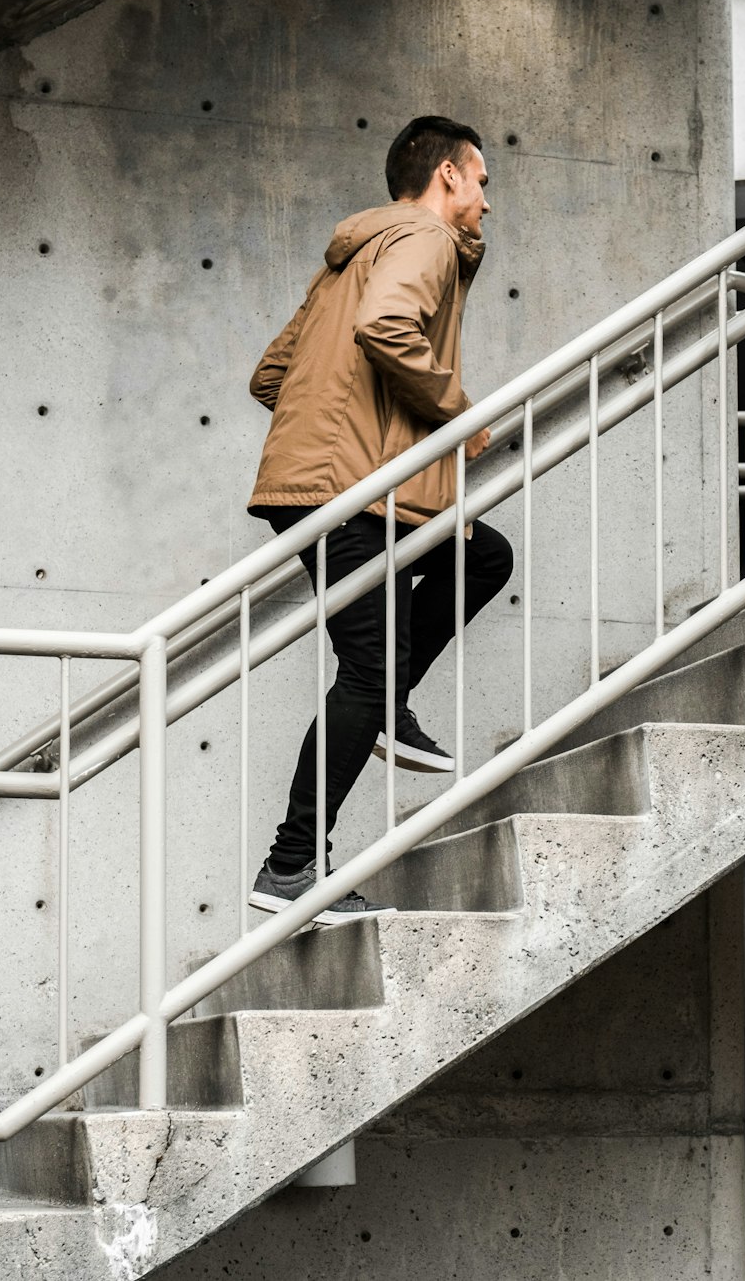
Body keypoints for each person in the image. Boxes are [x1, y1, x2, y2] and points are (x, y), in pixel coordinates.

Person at [245, 116, 514, 925]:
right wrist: (459, 415)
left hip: (340, 487)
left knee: (482, 555)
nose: (488, 204)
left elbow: (272, 375)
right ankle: (291, 865)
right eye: (483, 182)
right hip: (350, 494)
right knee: (367, 668)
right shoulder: (424, 241)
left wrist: (350, 430)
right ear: (448, 178)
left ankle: (392, 705)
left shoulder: (354, 254)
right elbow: (386, 329)